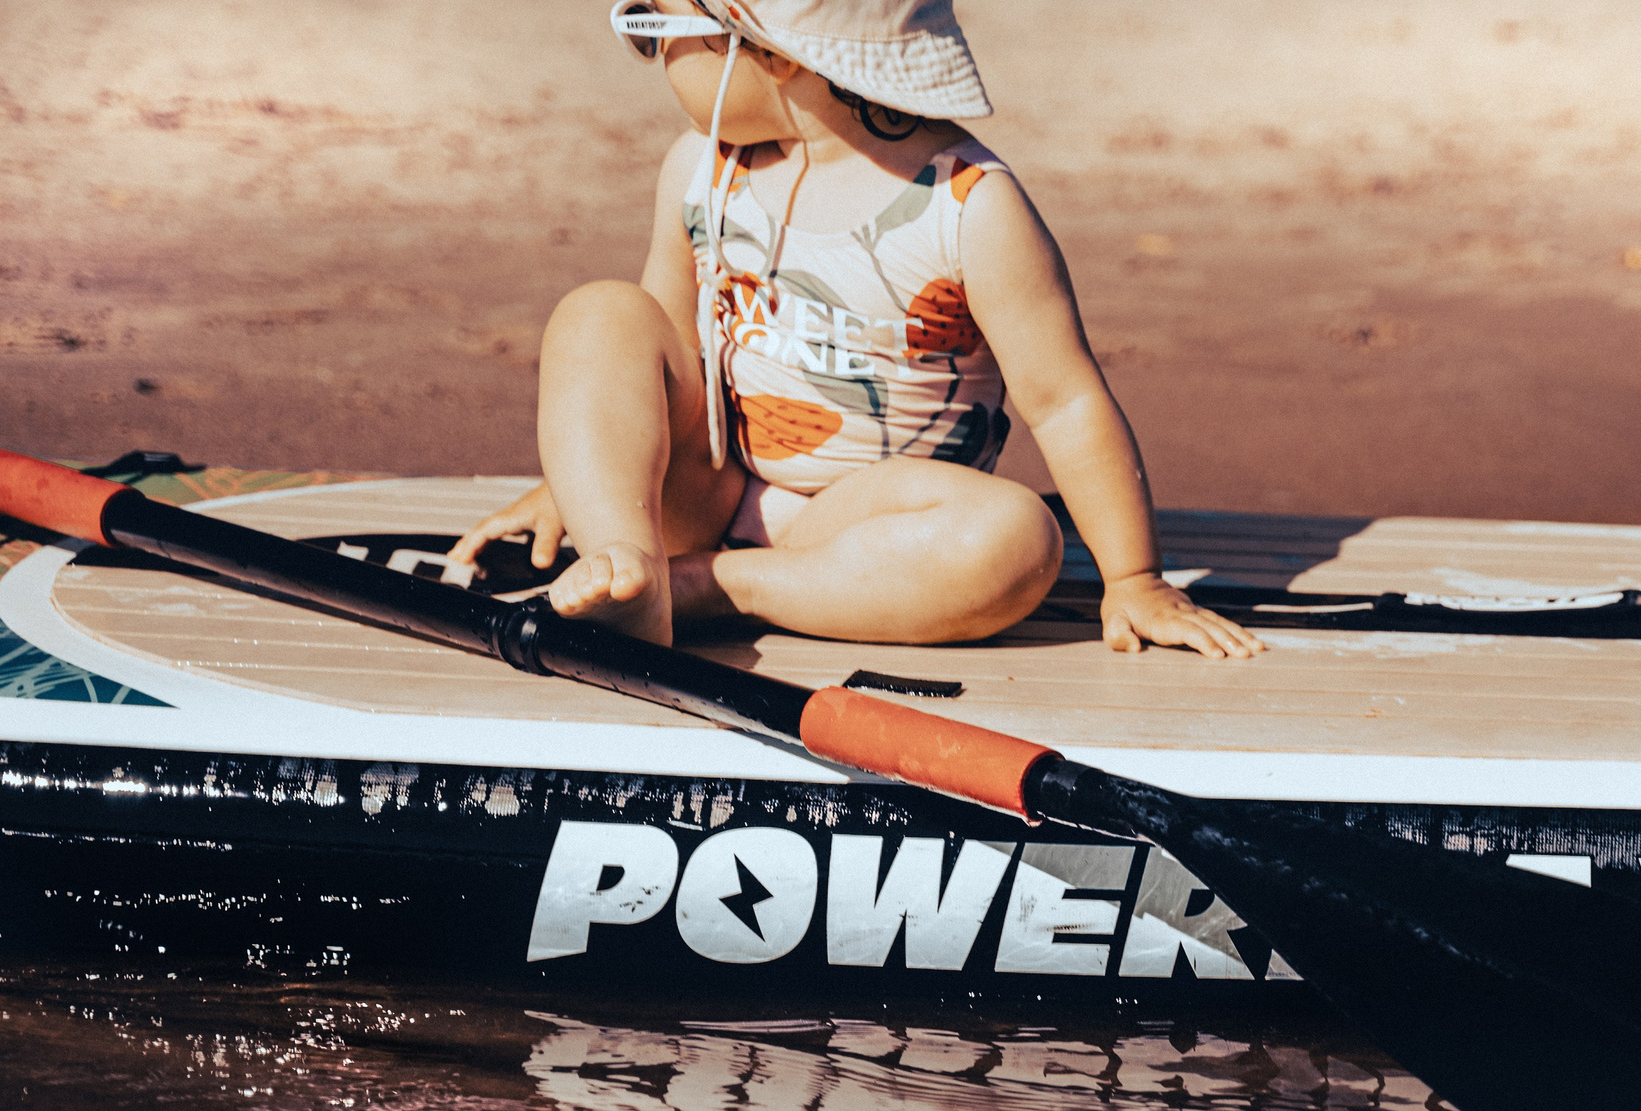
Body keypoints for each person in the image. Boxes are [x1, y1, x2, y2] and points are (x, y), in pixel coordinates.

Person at [449, 0, 1262, 661]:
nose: (653, 57)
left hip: (873, 526)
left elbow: (1066, 402)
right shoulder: (701, 168)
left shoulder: (966, 206)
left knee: (1018, 541)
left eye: (653, 27)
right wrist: (583, 487)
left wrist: (1136, 577)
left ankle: (697, 589)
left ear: (772, 48)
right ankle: (624, 558)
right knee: (599, 313)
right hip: (717, 482)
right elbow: (658, 353)